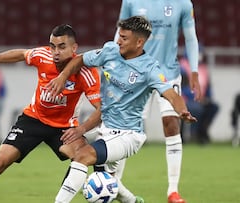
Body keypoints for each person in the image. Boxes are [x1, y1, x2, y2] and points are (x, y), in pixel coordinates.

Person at [48, 16, 197, 203]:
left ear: (139, 42)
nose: (119, 40)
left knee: (83, 156)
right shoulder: (110, 50)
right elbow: (80, 60)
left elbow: (171, 95)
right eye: (120, 35)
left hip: (129, 135)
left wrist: (182, 110)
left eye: (124, 38)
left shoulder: (150, 69)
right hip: (106, 130)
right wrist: (63, 76)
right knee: (107, 181)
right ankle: (133, 201)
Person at [0, 24, 101, 203]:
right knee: (0, 161)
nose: (55, 52)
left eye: (62, 46)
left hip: (63, 127)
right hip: (33, 119)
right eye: (52, 46)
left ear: (74, 48)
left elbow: (101, 109)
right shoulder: (43, 56)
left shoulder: (86, 72)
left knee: (83, 156)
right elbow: (21, 54)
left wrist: (81, 129)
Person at [113, 1, 201, 202]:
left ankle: (173, 191)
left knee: (171, 124)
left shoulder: (183, 3)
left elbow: (190, 37)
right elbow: (120, 35)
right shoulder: (131, 1)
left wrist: (194, 70)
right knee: (126, 128)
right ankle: (114, 183)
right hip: (135, 73)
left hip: (168, 73)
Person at [180, 44, 219, 145]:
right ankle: (192, 134)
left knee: (213, 107)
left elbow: (208, 87)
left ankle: (202, 132)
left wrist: (208, 98)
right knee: (197, 109)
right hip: (185, 99)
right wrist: (196, 97)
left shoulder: (203, 68)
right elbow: (183, 87)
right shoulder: (182, 67)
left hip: (201, 99)